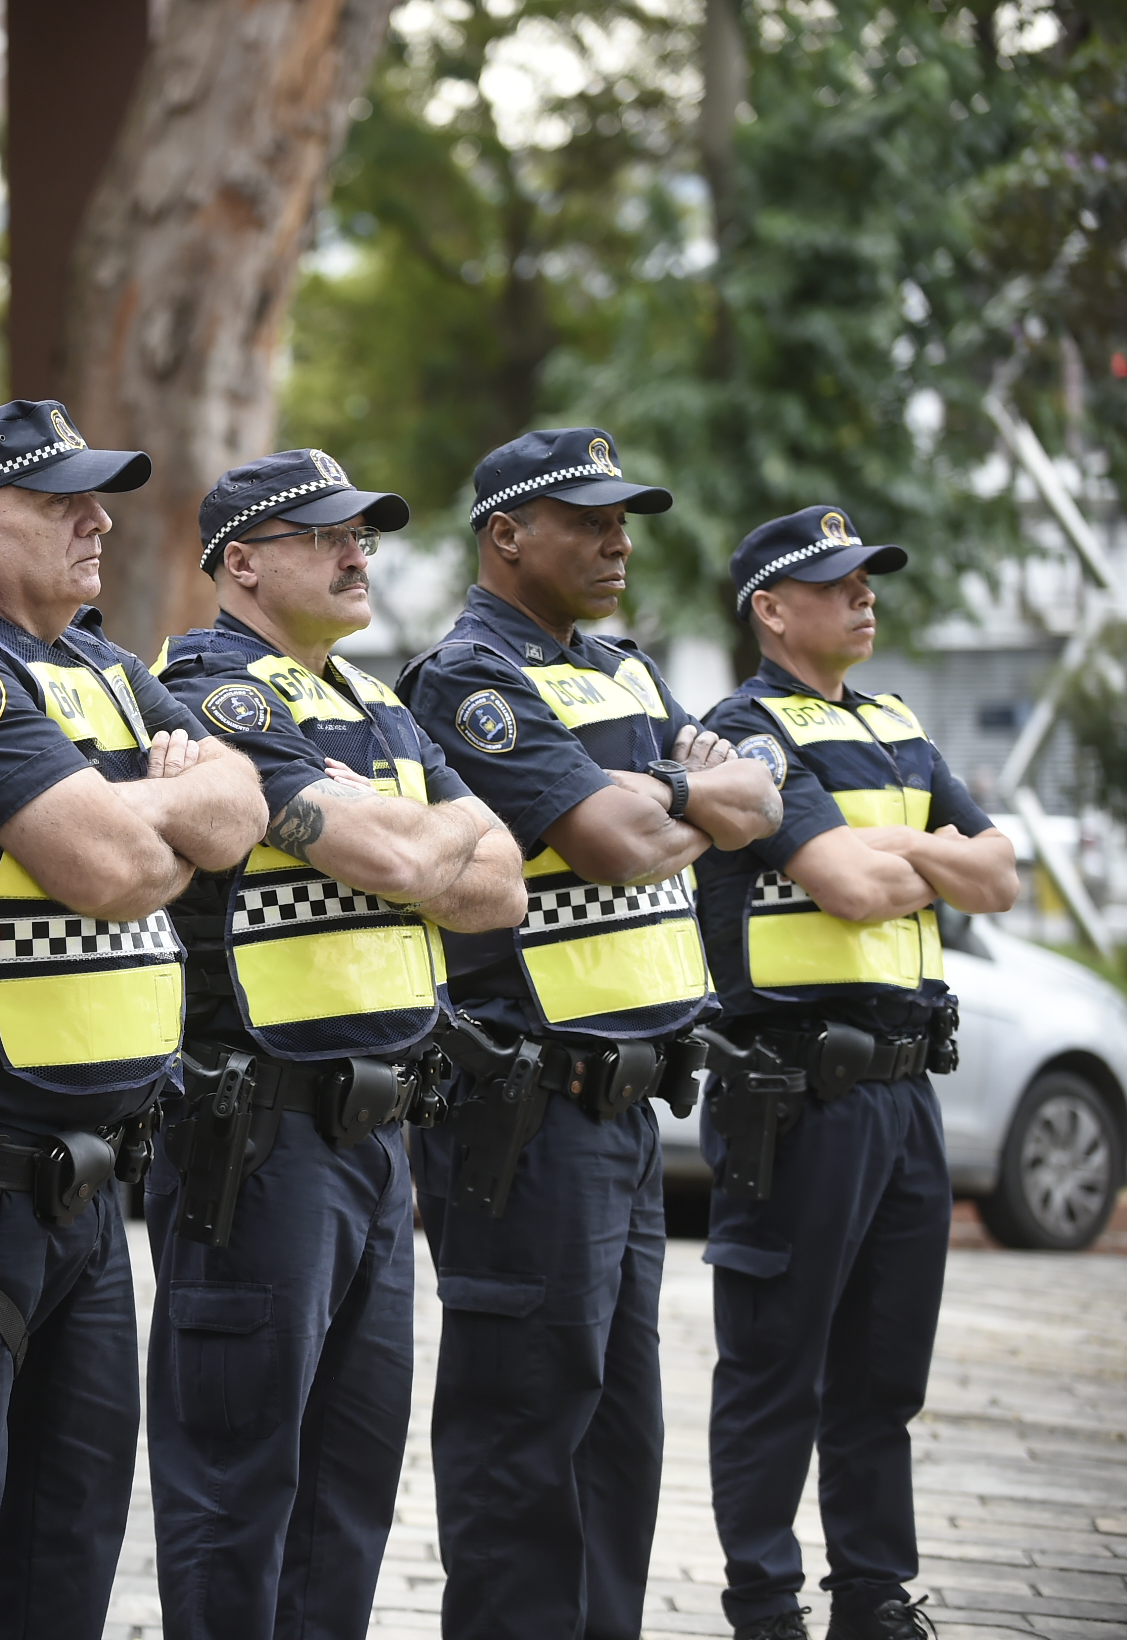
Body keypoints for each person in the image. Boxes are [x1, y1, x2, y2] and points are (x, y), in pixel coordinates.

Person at [0, 400, 269, 1640]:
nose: (98, 520)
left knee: (68, 1523)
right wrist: (160, 808)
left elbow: (238, 811)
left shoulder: (103, 667)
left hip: (82, 1183)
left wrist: (161, 813)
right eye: (61, 500)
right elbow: (110, 870)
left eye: (101, 496)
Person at [396, 427, 784, 1640]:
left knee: (619, 1437)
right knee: (523, 1441)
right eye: (589, 520)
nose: (620, 540)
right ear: (505, 534)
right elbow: (616, 841)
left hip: (622, 1119)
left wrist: (660, 798)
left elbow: (759, 800)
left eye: (625, 519)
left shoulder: (617, 670)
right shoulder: (465, 678)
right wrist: (685, 796)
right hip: (527, 1112)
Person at [144, 449, 526, 1639]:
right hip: (258, 1138)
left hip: (375, 1141)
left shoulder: (373, 704)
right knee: (235, 1483)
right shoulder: (212, 691)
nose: (357, 550)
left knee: (349, 1488)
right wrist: (446, 824)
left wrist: (435, 836)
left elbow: (504, 886)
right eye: (324, 535)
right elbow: (422, 866)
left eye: (363, 532)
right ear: (240, 561)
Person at [694, 506, 1018, 1640]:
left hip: (904, 1089)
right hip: (800, 1091)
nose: (864, 596)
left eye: (868, 578)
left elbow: (1002, 876)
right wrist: (931, 855)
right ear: (771, 611)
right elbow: (849, 886)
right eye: (836, 583)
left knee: (884, 1369)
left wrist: (906, 853)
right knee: (777, 1361)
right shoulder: (744, 736)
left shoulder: (894, 722)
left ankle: (874, 1596)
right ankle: (763, 1603)